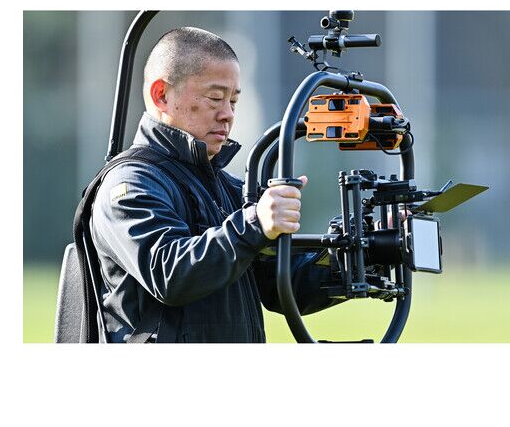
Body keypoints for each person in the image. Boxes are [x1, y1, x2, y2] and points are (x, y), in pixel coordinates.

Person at [90, 27, 340, 343]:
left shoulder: (228, 189)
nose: (228, 114)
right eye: (215, 98)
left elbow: (284, 286)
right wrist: (255, 223)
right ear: (161, 95)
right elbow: (170, 273)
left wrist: (364, 252)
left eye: (233, 100)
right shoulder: (128, 184)